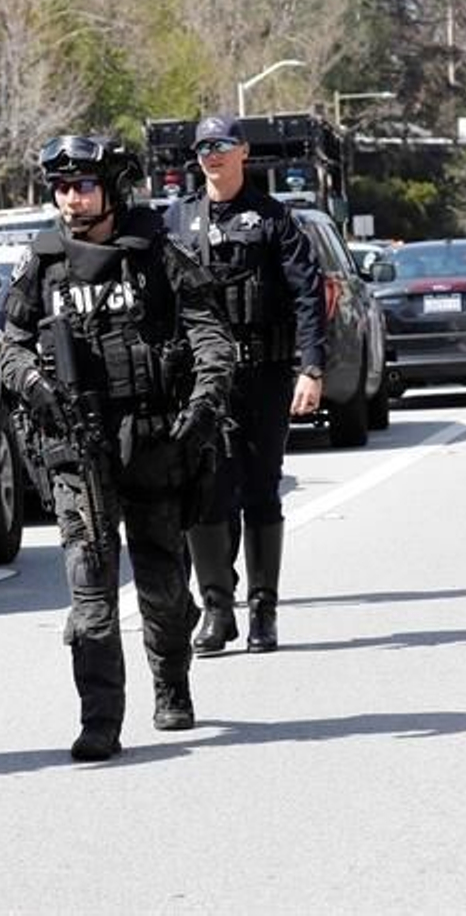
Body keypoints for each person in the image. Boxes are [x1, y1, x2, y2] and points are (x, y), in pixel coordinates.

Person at [1, 134, 234, 761]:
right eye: (61, 187)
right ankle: (100, 719)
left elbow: (210, 333)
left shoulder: (157, 252)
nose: (71, 199)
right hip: (78, 448)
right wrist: (35, 387)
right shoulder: (43, 261)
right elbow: (12, 347)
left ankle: (172, 684)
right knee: (90, 589)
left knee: (160, 581)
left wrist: (205, 400)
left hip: (155, 442)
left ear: (111, 189)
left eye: (83, 185)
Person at [165, 115, 327, 655]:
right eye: (203, 147)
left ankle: (263, 611)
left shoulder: (275, 219)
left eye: (221, 146)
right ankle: (216, 608)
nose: (211, 155)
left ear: (243, 152)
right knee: (206, 492)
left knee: (260, 489)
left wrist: (312, 369)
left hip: (263, 374)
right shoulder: (177, 221)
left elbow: (308, 296)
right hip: (203, 379)